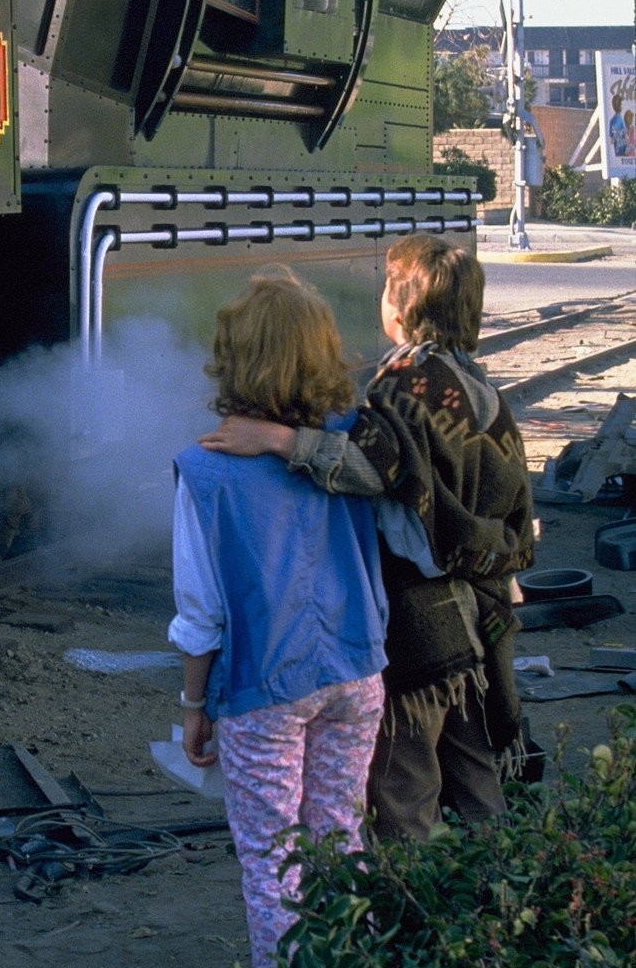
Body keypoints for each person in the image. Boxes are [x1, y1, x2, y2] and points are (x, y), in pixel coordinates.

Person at [201, 234, 534, 842]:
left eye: (386, 287)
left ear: (401, 310)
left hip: (419, 629)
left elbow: (374, 469)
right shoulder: (481, 387)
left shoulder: (404, 385)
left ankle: (416, 917)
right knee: (478, 779)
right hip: (476, 621)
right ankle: (507, 907)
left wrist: (281, 441)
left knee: (403, 792)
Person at [172, 270, 389, 968]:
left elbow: (200, 613)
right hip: (358, 673)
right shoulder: (350, 449)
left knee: (273, 860)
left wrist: (194, 707)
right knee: (340, 836)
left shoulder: (203, 472)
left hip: (265, 688)